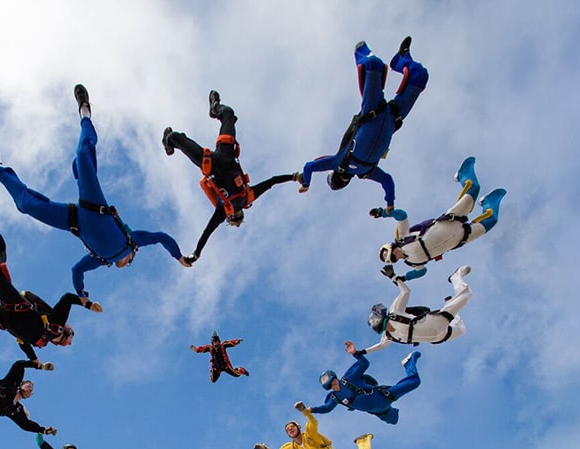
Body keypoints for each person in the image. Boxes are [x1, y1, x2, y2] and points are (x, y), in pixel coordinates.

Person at [0, 84, 191, 299]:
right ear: (132, 255)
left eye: (124, 265)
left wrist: (82, 296)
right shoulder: (133, 241)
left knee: (27, 205)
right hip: (95, 206)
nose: (125, 263)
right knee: (83, 155)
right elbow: (161, 237)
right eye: (129, 262)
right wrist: (179, 257)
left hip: (75, 221)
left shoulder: (100, 259)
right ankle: (85, 113)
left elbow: (76, 271)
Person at [162, 90, 298, 264]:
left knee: (175, 137)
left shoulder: (224, 210)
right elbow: (272, 182)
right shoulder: (247, 197)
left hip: (210, 164)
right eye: (238, 222)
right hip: (226, 155)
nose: (238, 221)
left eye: (234, 222)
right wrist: (294, 177)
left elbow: (207, 231)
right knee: (227, 113)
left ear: (231, 217)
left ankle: (168, 142)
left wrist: (196, 254)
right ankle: (215, 109)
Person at [297, 37, 428, 212]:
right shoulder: (367, 172)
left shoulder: (338, 162)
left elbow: (310, 166)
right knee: (420, 76)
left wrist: (306, 182)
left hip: (372, 112)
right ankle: (402, 59)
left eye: (336, 181)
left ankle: (360, 51)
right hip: (392, 117)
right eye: (340, 183)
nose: (341, 181)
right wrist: (390, 204)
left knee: (373, 64)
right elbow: (387, 181)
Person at [0, 233, 103, 364]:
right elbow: (67, 298)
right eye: (72, 339)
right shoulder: (57, 323)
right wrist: (86, 303)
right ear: (68, 331)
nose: (70, 344)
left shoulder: (41, 343)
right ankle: (0, 250)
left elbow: (23, 344)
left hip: (1, 318)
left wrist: (34, 361)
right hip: (16, 307)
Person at [377, 156, 506, 281]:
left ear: (391, 248)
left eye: (391, 254)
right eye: (393, 259)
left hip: (449, 223)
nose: (395, 256)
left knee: (473, 188)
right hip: (460, 238)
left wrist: (383, 212)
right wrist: (401, 278)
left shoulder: (402, 238)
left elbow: (402, 216)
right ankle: (489, 202)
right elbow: (421, 272)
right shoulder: (412, 262)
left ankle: (463, 174)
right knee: (491, 221)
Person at [307, 341, 420, 426]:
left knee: (415, 382)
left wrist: (355, 353)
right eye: (323, 381)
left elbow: (364, 364)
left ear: (332, 375)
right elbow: (326, 408)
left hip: (386, 396)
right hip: (381, 412)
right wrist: (311, 410)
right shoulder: (334, 397)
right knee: (394, 421)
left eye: (326, 377)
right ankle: (393, 412)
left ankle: (409, 362)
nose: (326, 381)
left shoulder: (348, 378)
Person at [361, 265, 473, 348]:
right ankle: (450, 306)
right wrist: (359, 353)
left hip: (434, 322)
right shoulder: (389, 335)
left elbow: (405, 291)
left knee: (467, 294)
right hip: (440, 336)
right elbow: (381, 346)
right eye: (374, 321)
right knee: (462, 330)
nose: (375, 321)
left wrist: (394, 277)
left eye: (374, 319)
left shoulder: (394, 313)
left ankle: (455, 277)